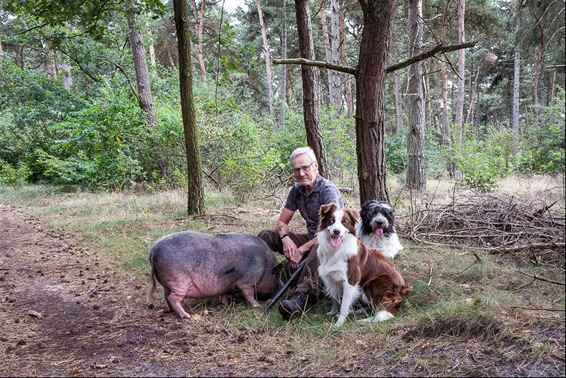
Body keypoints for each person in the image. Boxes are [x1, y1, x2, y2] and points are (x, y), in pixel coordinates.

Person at [258, 146, 344, 320]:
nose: (302, 173)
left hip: (334, 242)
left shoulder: (328, 190)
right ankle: (260, 281)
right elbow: (282, 221)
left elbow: (330, 231)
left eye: (306, 167)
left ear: (316, 166)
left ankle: (301, 298)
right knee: (266, 236)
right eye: (297, 169)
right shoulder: (296, 190)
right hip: (311, 238)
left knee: (320, 246)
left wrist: (301, 250)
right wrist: (285, 238)